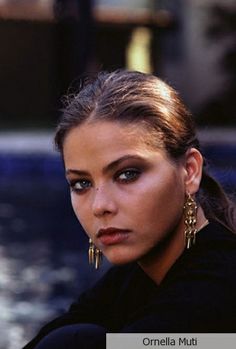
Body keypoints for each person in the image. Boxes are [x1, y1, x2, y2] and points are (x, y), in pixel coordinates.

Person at [23, 70, 236, 349]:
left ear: (189, 171)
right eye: (81, 183)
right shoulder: (134, 277)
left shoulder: (217, 286)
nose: (100, 206)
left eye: (127, 174)